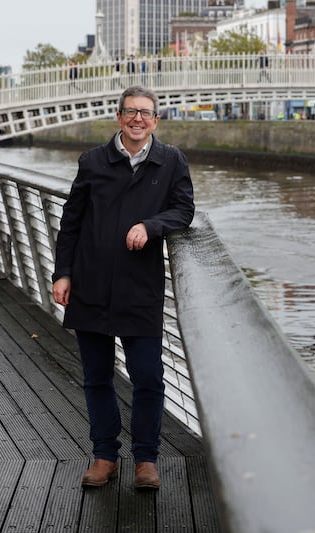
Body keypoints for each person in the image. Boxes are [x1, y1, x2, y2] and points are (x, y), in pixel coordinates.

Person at [52, 86, 195, 492]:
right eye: (131, 112)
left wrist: (151, 226)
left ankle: (146, 460)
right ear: (118, 117)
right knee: (97, 378)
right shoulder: (94, 161)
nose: (138, 119)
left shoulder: (171, 162)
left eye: (146, 113)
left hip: (139, 286)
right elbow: (72, 221)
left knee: (148, 377)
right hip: (91, 283)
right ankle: (104, 455)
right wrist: (62, 273)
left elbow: (184, 210)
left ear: (156, 120)